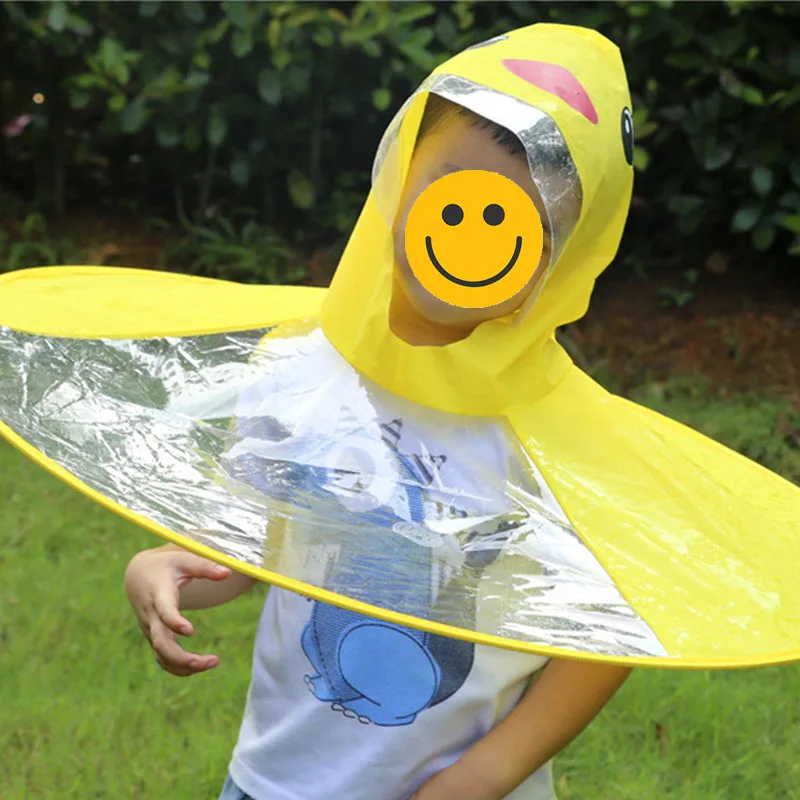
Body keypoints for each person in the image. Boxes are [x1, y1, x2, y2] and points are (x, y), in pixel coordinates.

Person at [125, 29, 633, 800]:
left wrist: (485, 775)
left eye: (513, 219)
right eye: (449, 195)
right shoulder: (299, 368)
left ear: (567, 251)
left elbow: (607, 635)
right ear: (399, 182)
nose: (468, 237)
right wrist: (166, 568)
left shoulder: (563, 436)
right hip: (275, 780)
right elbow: (250, 539)